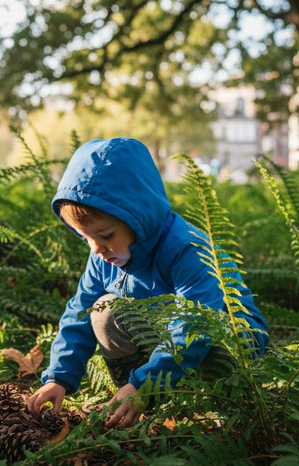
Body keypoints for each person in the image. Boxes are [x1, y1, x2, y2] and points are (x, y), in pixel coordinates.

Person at [25, 137, 268, 429]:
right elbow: (80, 311)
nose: (96, 249)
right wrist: (58, 377)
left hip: (225, 341)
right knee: (102, 310)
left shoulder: (187, 249)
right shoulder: (104, 257)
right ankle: (133, 400)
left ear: (137, 218)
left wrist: (145, 385)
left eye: (105, 235)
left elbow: (194, 328)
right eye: (85, 238)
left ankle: (212, 407)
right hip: (165, 344)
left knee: (211, 348)